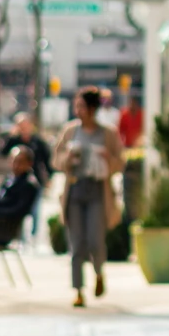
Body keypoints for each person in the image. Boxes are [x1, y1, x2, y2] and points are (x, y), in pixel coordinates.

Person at [53, 87, 125, 307]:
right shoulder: (70, 131)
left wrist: (107, 157)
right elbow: (56, 160)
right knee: (76, 244)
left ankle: (99, 272)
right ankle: (78, 290)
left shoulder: (108, 133)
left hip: (97, 191)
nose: (78, 110)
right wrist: (69, 158)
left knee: (95, 240)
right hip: (75, 189)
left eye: (81, 106)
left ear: (92, 108)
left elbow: (120, 163)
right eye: (77, 106)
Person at [1, 113, 53, 241]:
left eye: (25, 125)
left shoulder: (37, 141)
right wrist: (10, 136)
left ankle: (33, 236)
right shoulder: (14, 140)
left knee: (35, 210)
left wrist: (49, 178)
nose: (23, 128)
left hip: (34, 182)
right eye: (20, 125)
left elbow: (47, 160)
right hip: (17, 182)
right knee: (18, 210)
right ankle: (21, 237)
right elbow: (3, 153)